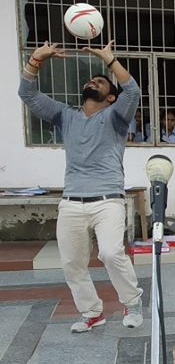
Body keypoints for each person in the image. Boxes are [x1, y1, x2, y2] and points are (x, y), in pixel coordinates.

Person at [18, 40, 144, 333]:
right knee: (72, 264)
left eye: (100, 81)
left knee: (111, 253)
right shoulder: (66, 115)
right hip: (72, 201)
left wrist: (110, 61)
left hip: (107, 199)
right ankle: (92, 313)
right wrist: (36, 59)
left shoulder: (116, 117)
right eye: (93, 79)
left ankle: (133, 303)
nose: (94, 81)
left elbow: (133, 91)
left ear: (111, 97)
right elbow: (27, 93)